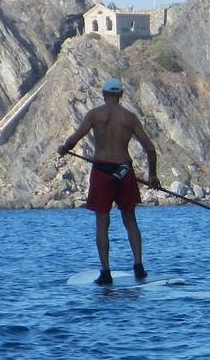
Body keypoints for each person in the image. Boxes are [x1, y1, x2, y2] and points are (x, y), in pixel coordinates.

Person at [58, 76, 161, 285]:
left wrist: (64, 148)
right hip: (124, 171)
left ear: (104, 95)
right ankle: (139, 266)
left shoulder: (95, 115)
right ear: (121, 95)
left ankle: (106, 271)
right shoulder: (130, 118)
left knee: (102, 222)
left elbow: (74, 139)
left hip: (102, 171)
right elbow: (150, 148)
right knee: (130, 220)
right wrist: (152, 176)